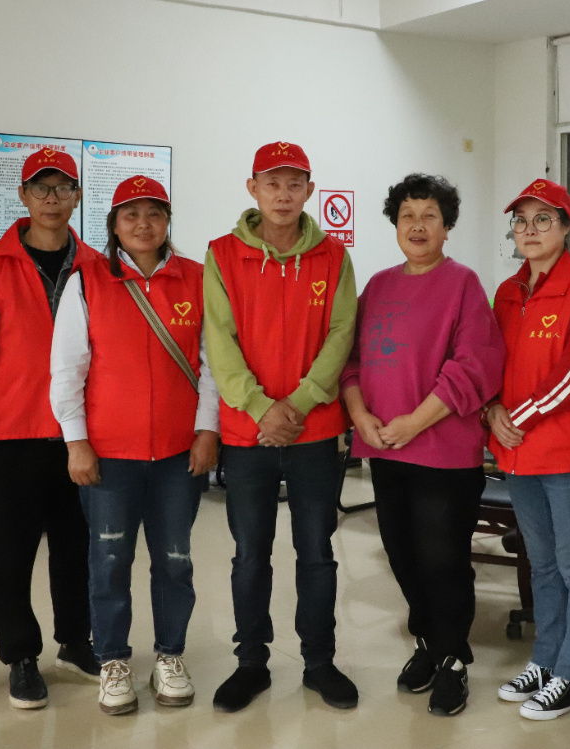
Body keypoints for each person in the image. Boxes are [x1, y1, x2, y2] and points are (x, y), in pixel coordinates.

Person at [50, 175, 221, 715]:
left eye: (154, 214)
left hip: (177, 455)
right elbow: (67, 369)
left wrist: (207, 430)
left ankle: (170, 655)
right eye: (131, 215)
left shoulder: (197, 279)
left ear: (168, 221)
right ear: (114, 225)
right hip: (109, 457)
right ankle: (113, 660)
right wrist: (76, 441)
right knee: (108, 561)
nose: (143, 224)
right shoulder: (88, 281)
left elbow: (212, 365)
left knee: (174, 560)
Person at [340, 174, 505, 717]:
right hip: (386, 449)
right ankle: (429, 644)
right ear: (395, 224)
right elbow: (352, 362)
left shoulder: (463, 285)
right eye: (407, 215)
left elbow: (474, 367)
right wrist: (360, 415)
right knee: (402, 554)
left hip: (444, 454)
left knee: (442, 559)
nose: (417, 225)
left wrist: (415, 422)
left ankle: (453, 658)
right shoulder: (378, 286)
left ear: (447, 226)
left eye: (429, 215)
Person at [204, 142, 359, 712]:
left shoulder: (333, 257)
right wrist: (259, 408)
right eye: (272, 183)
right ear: (253, 188)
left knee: (316, 551)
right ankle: (251, 663)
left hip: (314, 433)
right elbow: (219, 341)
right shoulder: (222, 255)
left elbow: (342, 332)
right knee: (251, 554)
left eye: (295, 184)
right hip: (248, 435)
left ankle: (319, 661)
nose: (284, 194)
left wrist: (299, 402)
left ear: (309, 191)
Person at [0, 147, 103, 709]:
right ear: (23, 196)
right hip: (12, 432)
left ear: (77, 196)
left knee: (76, 546)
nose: (52, 199)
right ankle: (20, 656)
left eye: (63, 188)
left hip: (81, 433)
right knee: (11, 554)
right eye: (41, 188)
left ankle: (75, 643)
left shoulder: (97, 265)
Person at [487, 178, 570, 721]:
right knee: (541, 564)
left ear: (565, 227)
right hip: (517, 453)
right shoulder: (507, 292)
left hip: (567, 453)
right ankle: (546, 659)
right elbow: (490, 363)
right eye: (521, 221)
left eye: (543, 220)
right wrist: (492, 410)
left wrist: (520, 415)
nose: (530, 230)